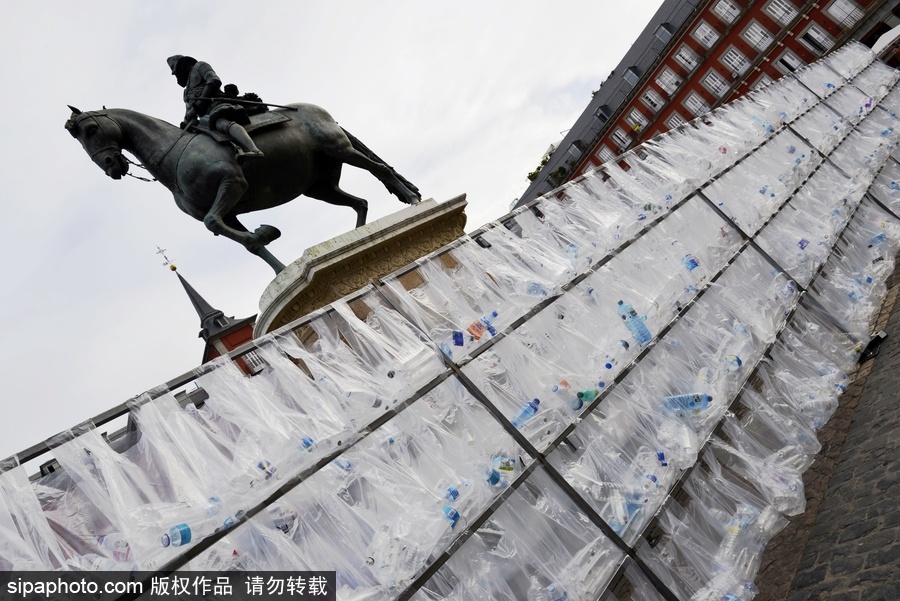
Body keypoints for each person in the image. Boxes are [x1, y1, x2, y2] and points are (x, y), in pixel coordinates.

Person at [166, 55, 264, 162]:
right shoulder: (186, 92)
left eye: (174, 70)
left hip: (217, 105)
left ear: (181, 65)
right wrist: (186, 121)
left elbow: (213, 80)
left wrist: (199, 104)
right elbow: (189, 111)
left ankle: (254, 150)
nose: (175, 74)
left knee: (220, 123)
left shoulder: (200, 66)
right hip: (205, 119)